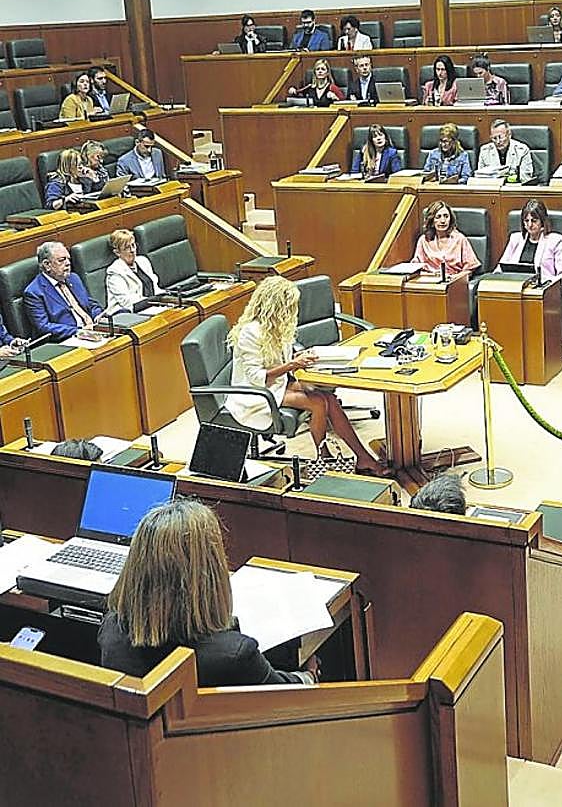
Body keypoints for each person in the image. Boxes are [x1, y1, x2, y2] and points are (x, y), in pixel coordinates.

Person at [99, 499, 318, 686]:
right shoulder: (234, 655)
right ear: (209, 571)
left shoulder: (111, 632)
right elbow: (283, 694)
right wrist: (308, 676)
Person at [225, 276, 387, 475]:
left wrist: (297, 356)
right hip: (254, 395)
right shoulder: (250, 332)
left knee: (330, 400)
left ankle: (363, 458)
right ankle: (324, 457)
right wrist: (292, 364)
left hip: (276, 384)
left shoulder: (277, 327)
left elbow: (276, 360)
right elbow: (256, 377)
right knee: (318, 402)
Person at [24, 240, 104, 341]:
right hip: (66, 340)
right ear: (47, 265)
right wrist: (78, 332)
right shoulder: (34, 292)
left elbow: (89, 303)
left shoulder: (73, 278)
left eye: (68, 259)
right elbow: (43, 327)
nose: (68, 263)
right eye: (62, 260)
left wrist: (99, 316)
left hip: (92, 331)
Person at [496, 198, 562, 284]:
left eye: (534, 221)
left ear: (542, 221)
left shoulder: (554, 241)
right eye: (526, 221)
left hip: (540, 291)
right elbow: (500, 269)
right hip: (515, 288)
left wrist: (548, 283)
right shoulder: (515, 239)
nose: (529, 225)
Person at [412, 201, 481, 278]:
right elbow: (415, 268)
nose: (443, 221)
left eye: (446, 216)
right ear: (431, 220)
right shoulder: (423, 240)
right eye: (438, 217)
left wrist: (455, 278)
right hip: (429, 281)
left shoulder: (460, 239)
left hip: (454, 281)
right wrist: (432, 275)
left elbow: (470, 269)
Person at [105, 228, 161, 311]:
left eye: (133, 245)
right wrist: (153, 302)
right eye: (127, 247)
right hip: (129, 314)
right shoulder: (114, 272)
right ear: (117, 252)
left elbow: (155, 288)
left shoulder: (143, 261)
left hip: (152, 307)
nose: (132, 250)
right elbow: (127, 303)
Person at [477, 119, 534, 183]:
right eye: (494, 138)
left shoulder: (522, 150)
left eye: (500, 137)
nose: (498, 142)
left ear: (509, 135)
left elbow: (525, 179)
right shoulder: (485, 151)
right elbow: (480, 178)